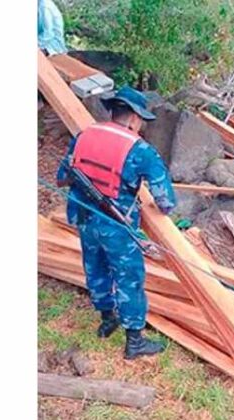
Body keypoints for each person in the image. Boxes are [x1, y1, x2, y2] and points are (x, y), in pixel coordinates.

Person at [57, 86, 176, 359]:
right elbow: (165, 201)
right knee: (129, 277)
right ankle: (134, 341)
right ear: (134, 117)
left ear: (112, 111)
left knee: (95, 266)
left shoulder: (84, 135)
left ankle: (107, 319)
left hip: (84, 216)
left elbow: (63, 176)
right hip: (116, 225)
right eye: (141, 120)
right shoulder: (142, 150)